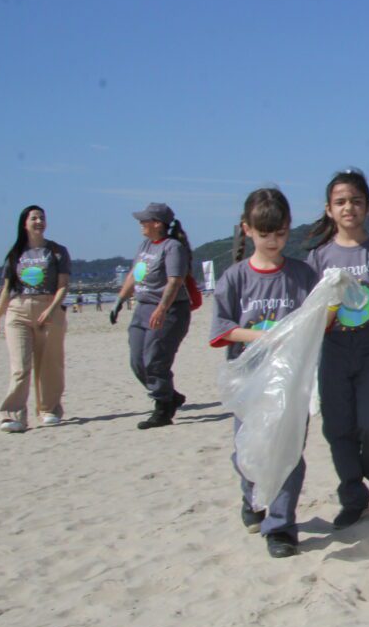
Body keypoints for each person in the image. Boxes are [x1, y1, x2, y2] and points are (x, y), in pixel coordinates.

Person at [210, 188, 321, 558]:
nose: (273, 241)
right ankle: (252, 498)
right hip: (249, 381)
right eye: (265, 234)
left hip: (290, 382)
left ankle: (281, 526)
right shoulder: (235, 278)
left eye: (281, 233)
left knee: (287, 451)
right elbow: (221, 329)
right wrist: (263, 336)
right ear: (248, 230)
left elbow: (315, 320)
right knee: (248, 452)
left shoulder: (303, 274)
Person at [304, 169, 369, 530]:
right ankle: (353, 496)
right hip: (332, 351)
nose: (349, 208)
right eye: (341, 202)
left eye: (356, 201)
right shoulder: (318, 257)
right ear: (329, 209)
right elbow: (310, 313)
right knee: (337, 428)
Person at [112, 203, 193, 430]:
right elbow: (134, 275)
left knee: (155, 359)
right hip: (142, 308)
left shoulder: (172, 247)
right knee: (138, 362)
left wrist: (162, 308)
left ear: (157, 223)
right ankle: (170, 395)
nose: (140, 223)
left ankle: (163, 408)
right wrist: (119, 301)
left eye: (144, 220)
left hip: (170, 310)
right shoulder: (145, 245)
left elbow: (175, 280)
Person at [0, 205, 70, 431]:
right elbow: (6, 289)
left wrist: (52, 308)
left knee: (50, 364)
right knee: (20, 366)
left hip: (49, 309)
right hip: (18, 310)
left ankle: (48, 409)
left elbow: (63, 285)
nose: (39, 221)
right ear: (24, 223)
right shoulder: (16, 253)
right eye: (34, 218)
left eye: (42, 218)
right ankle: (12, 415)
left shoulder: (57, 251)